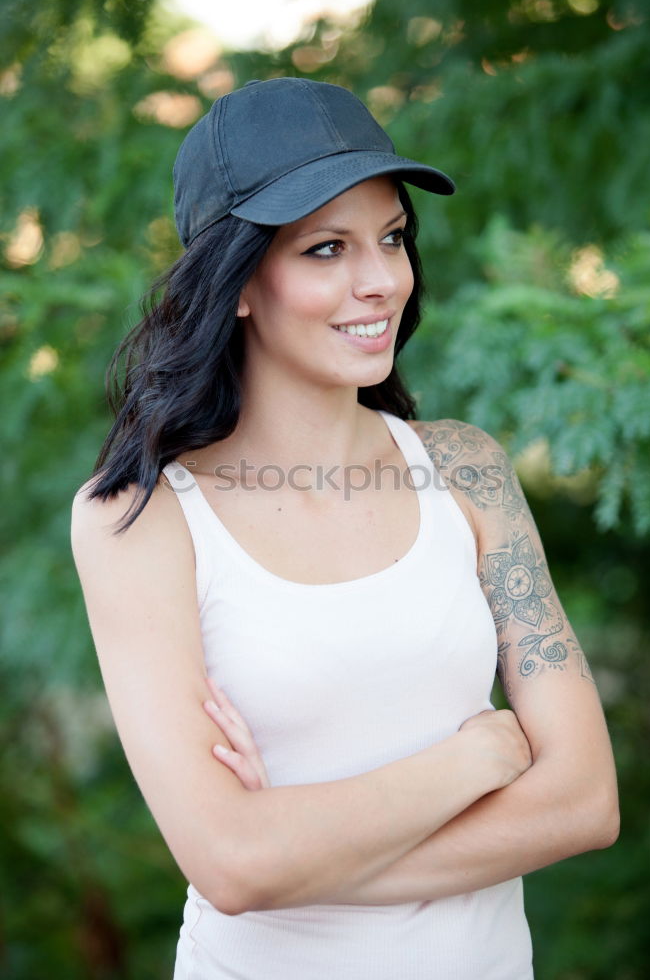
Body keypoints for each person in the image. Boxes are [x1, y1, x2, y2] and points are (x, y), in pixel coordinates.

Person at [71, 77, 619, 980]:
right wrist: (482, 754)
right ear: (238, 281)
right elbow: (233, 864)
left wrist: (300, 853)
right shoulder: (140, 520)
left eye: (392, 238)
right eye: (327, 248)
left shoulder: (465, 469)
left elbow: (587, 800)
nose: (380, 281)